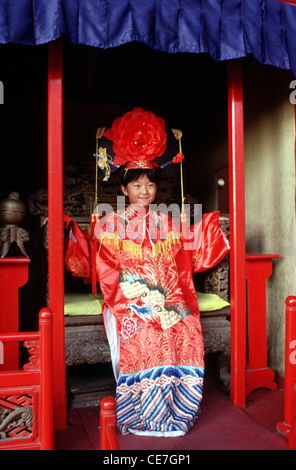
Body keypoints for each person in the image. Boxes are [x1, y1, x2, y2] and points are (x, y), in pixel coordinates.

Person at [93, 107, 230, 437]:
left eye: (150, 185)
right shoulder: (111, 223)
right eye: (136, 185)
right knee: (143, 330)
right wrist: (130, 301)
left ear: (156, 189)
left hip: (168, 296)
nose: (144, 191)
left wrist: (213, 228)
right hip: (129, 300)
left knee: (182, 325)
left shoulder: (168, 222)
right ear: (124, 190)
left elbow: (186, 259)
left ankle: (175, 406)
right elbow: (108, 270)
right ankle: (140, 410)